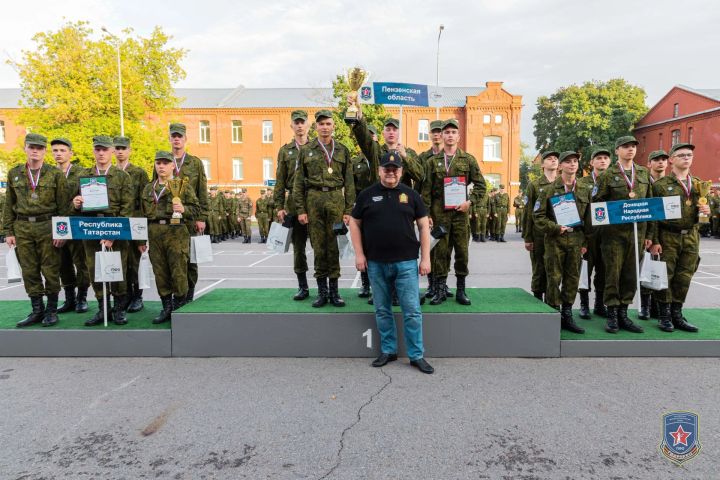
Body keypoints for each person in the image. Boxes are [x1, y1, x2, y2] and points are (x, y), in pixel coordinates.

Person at [349, 151, 434, 374]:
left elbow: (424, 226)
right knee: (382, 310)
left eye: (395, 169)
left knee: (412, 311)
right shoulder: (366, 195)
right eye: (386, 168)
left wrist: (425, 258)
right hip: (376, 263)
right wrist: (359, 254)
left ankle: (416, 355)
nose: (391, 172)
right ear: (379, 171)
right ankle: (389, 350)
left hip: (406, 263)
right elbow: (354, 224)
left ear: (401, 172)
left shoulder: (411, 195)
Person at [4, 133, 68, 327]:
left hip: (47, 226)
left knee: (50, 270)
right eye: (32, 147)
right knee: (29, 271)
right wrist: (8, 231)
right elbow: (9, 204)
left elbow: (63, 206)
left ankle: (51, 310)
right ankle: (37, 310)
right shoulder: (14, 173)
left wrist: (61, 232)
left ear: (44, 151)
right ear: (25, 148)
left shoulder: (54, 173)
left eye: (39, 148)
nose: (35, 151)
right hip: (22, 227)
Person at [293, 109, 355, 308]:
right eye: (321, 124)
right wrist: (301, 209)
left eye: (328, 124)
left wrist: (348, 210)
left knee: (334, 247)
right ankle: (322, 292)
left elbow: (350, 183)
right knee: (319, 247)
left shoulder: (342, 150)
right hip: (314, 200)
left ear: (333, 126)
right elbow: (298, 183)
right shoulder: (306, 150)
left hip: (336, 199)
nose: (325, 127)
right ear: (316, 126)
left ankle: (335, 292)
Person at [421, 119, 486, 305]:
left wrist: (470, 202)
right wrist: (426, 215)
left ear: (458, 136)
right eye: (446, 132)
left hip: (460, 215)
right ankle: (440, 290)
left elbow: (481, 186)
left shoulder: (468, 160)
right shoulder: (432, 162)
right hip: (439, 214)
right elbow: (426, 191)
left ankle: (461, 290)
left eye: (453, 132)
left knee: (462, 252)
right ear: (441, 136)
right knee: (440, 252)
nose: (449, 135)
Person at [72, 135, 133, 326]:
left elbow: (127, 208)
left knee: (117, 269)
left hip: (114, 229)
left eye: (105, 149)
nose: (101, 153)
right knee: (95, 270)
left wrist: (113, 233)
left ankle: (119, 309)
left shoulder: (122, 176)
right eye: (97, 149)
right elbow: (72, 206)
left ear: (112, 151)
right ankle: (102, 309)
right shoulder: (84, 175)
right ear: (93, 151)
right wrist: (75, 204)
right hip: (91, 231)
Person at [593, 136, 652, 334]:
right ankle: (611, 314)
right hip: (613, 235)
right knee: (613, 274)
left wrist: (649, 234)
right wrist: (616, 212)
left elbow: (651, 204)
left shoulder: (643, 173)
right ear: (617, 150)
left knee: (630, 274)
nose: (630, 150)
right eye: (626, 147)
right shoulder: (607, 175)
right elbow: (597, 206)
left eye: (633, 146)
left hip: (637, 233)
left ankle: (624, 314)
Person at [649, 143, 707, 333]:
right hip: (668, 236)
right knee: (666, 275)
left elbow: (703, 213)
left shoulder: (699, 184)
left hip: (691, 236)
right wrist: (655, 241)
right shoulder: (660, 186)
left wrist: (707, 210)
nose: (686, 158)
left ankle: (677, 313)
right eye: (681, 155)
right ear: (671, 160)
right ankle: (664, 316)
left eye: (689, 155)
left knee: (684, 277)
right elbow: (654, 218)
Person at [534, 151, 592, 333]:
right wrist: (555, 227)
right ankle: (553, 312)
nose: (572, 164)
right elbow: (538, 216)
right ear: (560, 166)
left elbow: (589, 219)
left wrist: (585, 242)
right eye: (567, 162)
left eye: (575, 161)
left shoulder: (584, 189)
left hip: (576, 239)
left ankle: (567, 314)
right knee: (554, 277)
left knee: (572, 277)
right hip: (555, 239)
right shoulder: (550, 189)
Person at [139, 151, 200, 324]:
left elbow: (196, 209)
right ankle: (166, 307)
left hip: (176, 232)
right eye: (158, 163)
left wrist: (184, 209)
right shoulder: (148, 188)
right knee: (160, 272)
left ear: (173, 165)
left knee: (178, 270)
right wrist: (141, 240)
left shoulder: (182, 185)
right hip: (154, 231)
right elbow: (141, 215)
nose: (161, 166)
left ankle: (180, 305)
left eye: (165, 163)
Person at [168, 123, 209, 302]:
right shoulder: (163, 161)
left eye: (180, 136)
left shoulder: (195, 162)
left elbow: (202, 190)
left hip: (190, 218)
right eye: (173, 136)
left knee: (191, 259)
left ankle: (189, 295)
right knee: (172, 259)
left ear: (185, 139)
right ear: (170, 138)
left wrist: (202, 217)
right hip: (169, 219)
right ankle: (176, 296)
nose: (177, 139)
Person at [274, 110, 311, 300]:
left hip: (313, 200)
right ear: (291, 126)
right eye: (296, 123)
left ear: (308, 125)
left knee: (322, 246)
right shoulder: (285, 150)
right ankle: (303, 286)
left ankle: (326, 286)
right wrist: (279, 206)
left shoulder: (317, 147)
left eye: (302, 122)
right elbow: (279, 180)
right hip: (293, 203)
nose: (299, 126)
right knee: (298, 248)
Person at [51, 137, 90, 314]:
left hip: (76, 225)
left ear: (71, 153)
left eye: (62, 150)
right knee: (62, 264)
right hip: (57, 226)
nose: (59, 154)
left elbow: (89, 200)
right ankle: (70, 299)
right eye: (55, 151)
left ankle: (82, 298)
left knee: (82, 264)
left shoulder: (82, 173)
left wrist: (78, 202)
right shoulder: (49, 173)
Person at [113, 136, 150, 313]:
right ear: (113, 150)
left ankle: (137, 297)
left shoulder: (139, 173)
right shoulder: (110, 172)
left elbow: (145, 203)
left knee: (135, 261)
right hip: (118, 221)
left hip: (135, 221)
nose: (120, 151)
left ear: (129, 150)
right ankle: (125, 295)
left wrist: (143, 235)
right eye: (117, 148)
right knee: (121, 261)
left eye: (123, 148)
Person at [576, 147, 611, 319]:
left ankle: (599, 304)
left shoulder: (615, 182)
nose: (602, 160)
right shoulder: (582, 184)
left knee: (604, 272)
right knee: (585, 271)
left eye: (605, 158)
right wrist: (581, 238)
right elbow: (577, 212)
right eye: (598, 158)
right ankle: (584, 305)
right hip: (588, 235)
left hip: (608, 235)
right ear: (591, 163)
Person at [524, 151, 559, 302]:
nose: (553, 161)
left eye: (556, 159)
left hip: (559, 233)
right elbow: (528, 212)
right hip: (539, 235)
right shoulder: (534, 185)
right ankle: (538, 299)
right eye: (549, 159)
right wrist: (528, 237)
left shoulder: (564, 183)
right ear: (542, 164)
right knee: (539, 268)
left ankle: (552, 302)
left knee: (555, 270)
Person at [639, 150, 669, 320]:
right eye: (656, 160)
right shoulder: (644, 182)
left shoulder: (671, 183)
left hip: (669, 233)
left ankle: (659, 306)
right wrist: (653, 238)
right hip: (649, 233)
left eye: (664, 159)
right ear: (649, 163)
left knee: (663, 271)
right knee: (647, 269)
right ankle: (645, 305)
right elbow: (649, 212)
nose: (660, 162)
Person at [351, 123, 379, 298]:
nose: (369, 138)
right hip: (363, 208)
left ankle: (377, 283)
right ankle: (365, 284)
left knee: (377, 246)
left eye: (372, 135)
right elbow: (352, 186)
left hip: (379, 207)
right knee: (363, 245)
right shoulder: (355, 162)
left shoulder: (382, 157)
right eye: (365, 135)